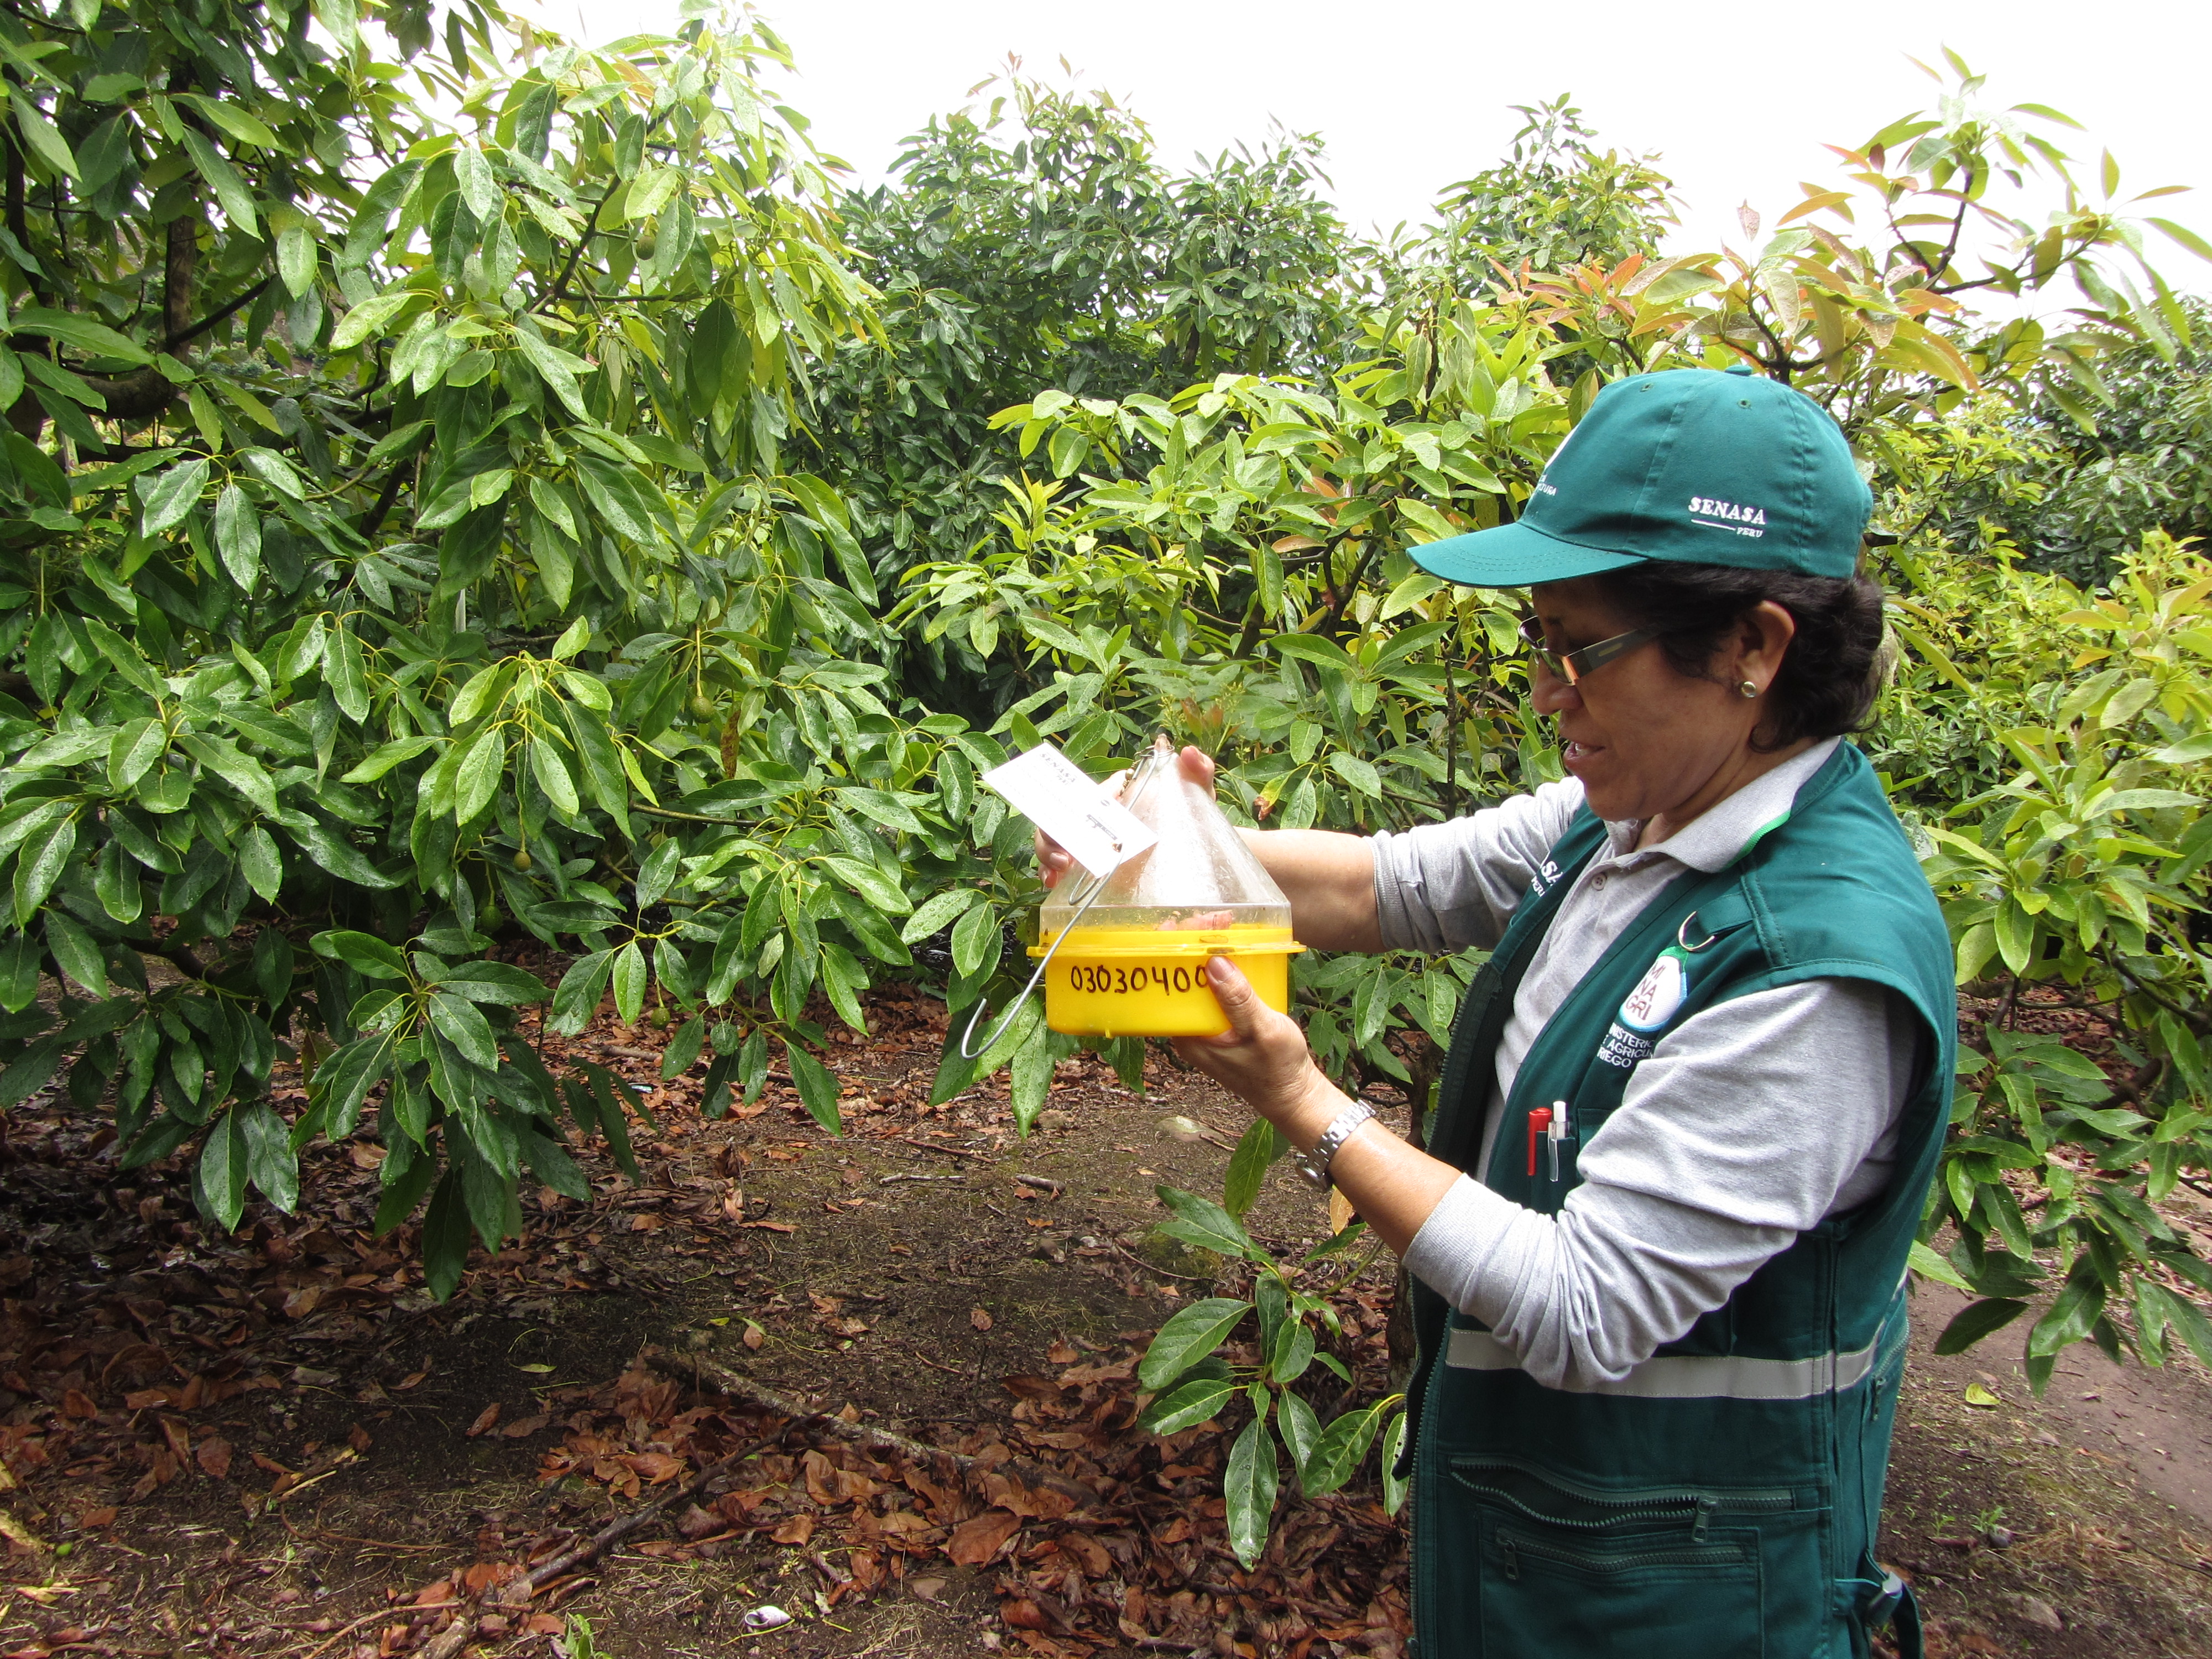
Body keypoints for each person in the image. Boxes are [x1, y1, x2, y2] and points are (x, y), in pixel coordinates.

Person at [1037, 367, 1955, 1658]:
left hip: (1683, 1600)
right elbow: (1380, 883)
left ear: (1752, 647)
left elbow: (1586, 1306)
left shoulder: (1814, 966)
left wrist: (1300, 1102)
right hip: (1549, 1535)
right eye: (1537, 645)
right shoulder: (1630, 814)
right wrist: (1168, 851)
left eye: (1578, 650)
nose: (1546, 694)